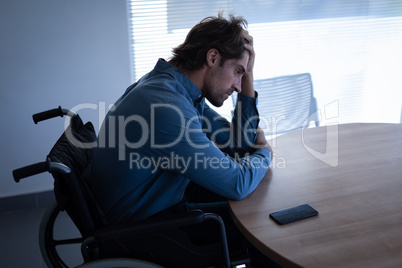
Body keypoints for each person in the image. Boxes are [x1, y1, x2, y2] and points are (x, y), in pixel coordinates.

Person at [91, 12, 275, 267]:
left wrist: (249, 75)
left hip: (161, 205)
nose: (237, 86)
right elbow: (237, 182)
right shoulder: (164, 107)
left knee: (257, 208)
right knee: (265, 226)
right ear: (212, 58)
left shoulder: (176, 90)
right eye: (237, 72)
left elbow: (238, 145)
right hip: (148, 231)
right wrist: (264, 152)